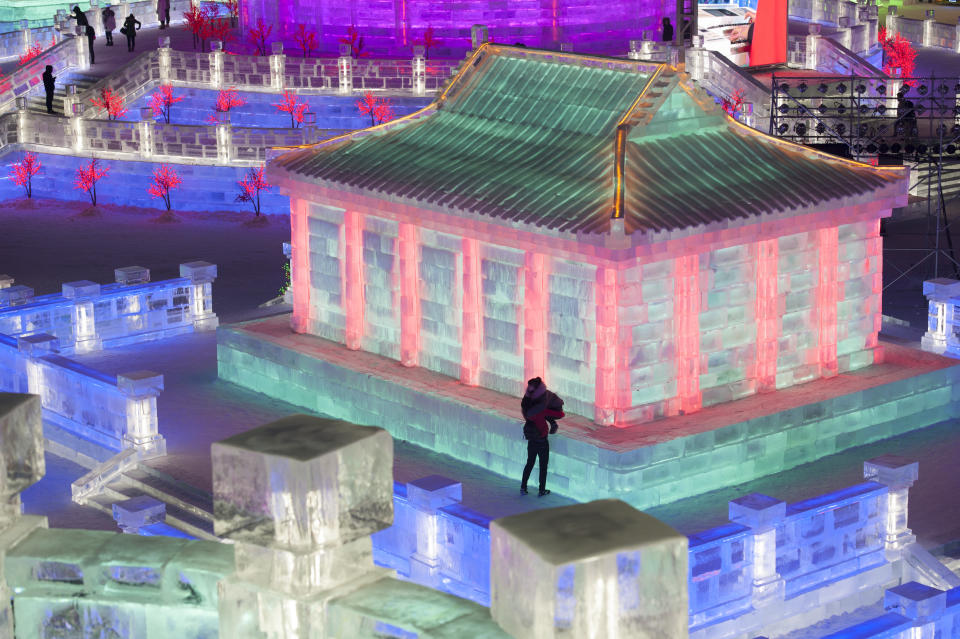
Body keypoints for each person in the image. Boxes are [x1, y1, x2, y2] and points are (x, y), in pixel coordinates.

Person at [520, 377, 564, 497]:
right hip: (542, 440)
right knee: (543, 466)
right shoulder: (542, 408)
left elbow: (528, 413)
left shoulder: (527, 405)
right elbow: (560, 414)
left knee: (529, 463)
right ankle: (541, 490)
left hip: (531, 439)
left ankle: (523, 487)